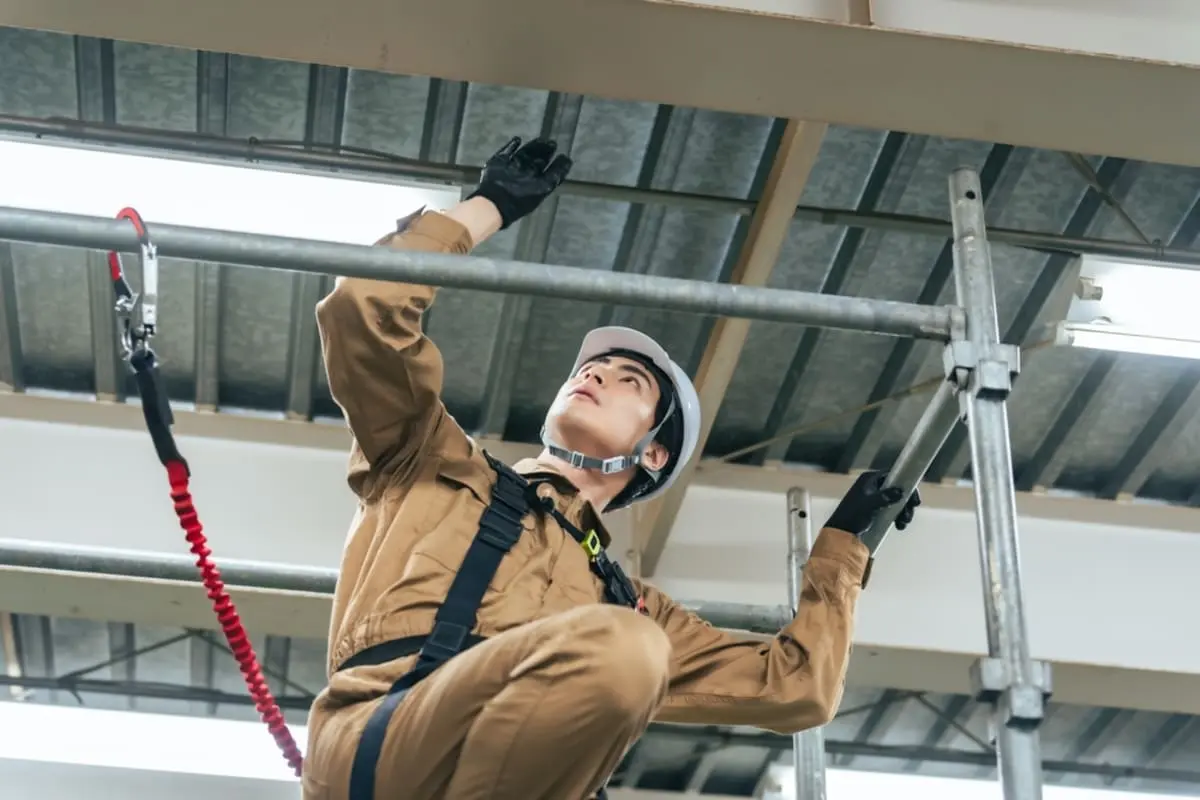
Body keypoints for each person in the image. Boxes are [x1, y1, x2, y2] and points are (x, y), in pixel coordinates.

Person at [300, 136, 922, 800]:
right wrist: (488, 207)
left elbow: (796, 687)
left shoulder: (630, 606)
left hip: (509, 769)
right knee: (623, 645)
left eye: (630, 381)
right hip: (381, 744)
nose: (594, 373)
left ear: (652, 453)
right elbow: (362, 308)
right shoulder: (427, 455)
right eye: (590, 368)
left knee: (629, 646)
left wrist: (845, 548)